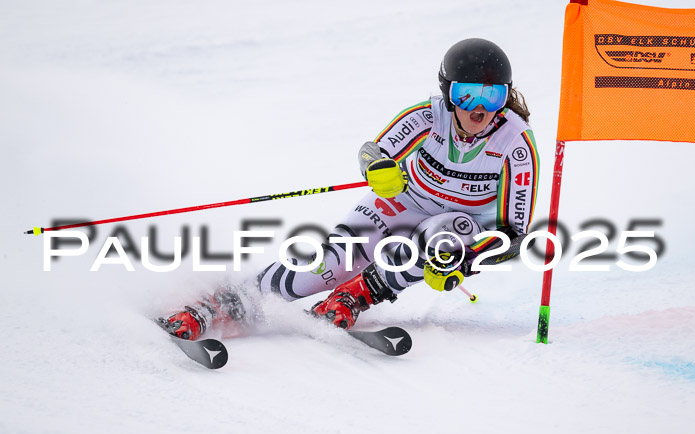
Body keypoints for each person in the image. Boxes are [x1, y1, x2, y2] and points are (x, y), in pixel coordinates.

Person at [158, 38, 540, 340]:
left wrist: (466, 260)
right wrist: (378, 169)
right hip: (402, 204)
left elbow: (513, 235)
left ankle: (355, 296)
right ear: (448, 93)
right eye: (466, 95)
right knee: (326, 268)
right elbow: (374, 151)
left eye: (493, 96)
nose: (479, 109)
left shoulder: (515, 145)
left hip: (459, 225)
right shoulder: (429, 116)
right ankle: (219, 303)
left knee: (445, 236)